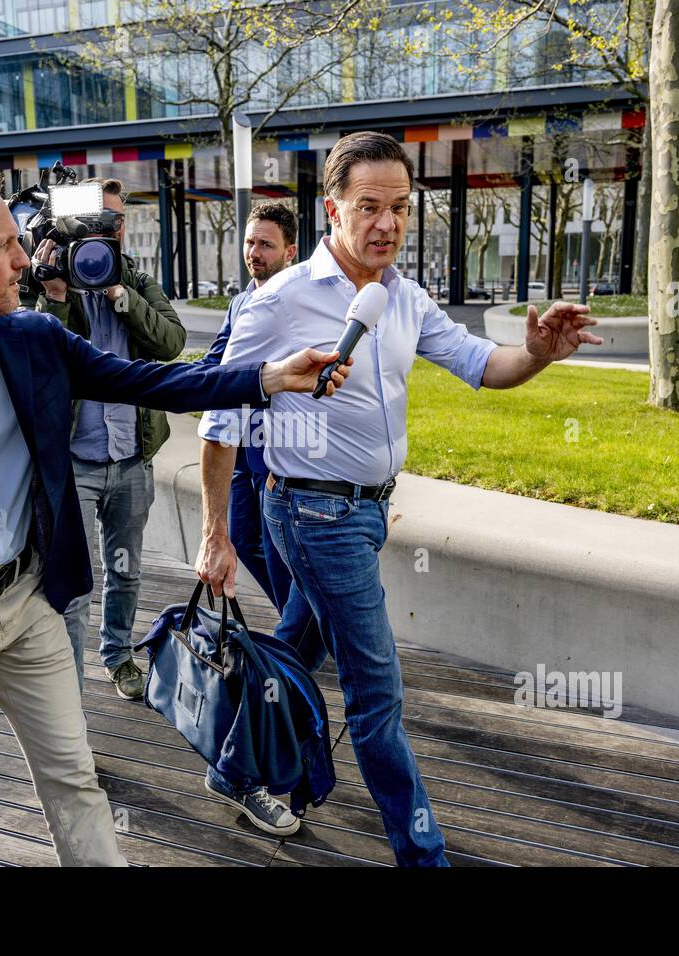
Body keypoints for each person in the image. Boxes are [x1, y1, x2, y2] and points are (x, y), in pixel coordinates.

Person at [0, 169, 350, 866]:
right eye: (5, 246)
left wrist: (270, 377)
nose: (24, 260)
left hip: (31, 602)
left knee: (74, 781)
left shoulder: (36, 338)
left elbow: (156, 379)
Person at [198, 131, 602, 866]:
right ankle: (424, 856)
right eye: (370, 207)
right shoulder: (281, 299)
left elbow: (485, 364)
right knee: (378, 696)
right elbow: (221, 419)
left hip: (368, 510)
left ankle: (231, 767)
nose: (387, 223)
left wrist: (539, 353)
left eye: (401, 207)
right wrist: (215, 533)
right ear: (332, 210)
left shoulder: (405, 296)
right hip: (312, 514)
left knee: (294, 645)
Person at [192, 201, 320, 835]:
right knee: (303, 614)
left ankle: (255, 744)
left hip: (294, 479)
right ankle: (280, 691)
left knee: (306, 619)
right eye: (249, 243)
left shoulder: (303, 304)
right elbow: (215, 371)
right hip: (248, 473)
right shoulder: (244, 306)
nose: (254, 253)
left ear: (290, 250)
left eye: (266, 245)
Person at [29, 179, 181, 699]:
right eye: (91, 222)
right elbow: (42, 366)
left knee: (128, 571)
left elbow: (171, 341)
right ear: (67, 225)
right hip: (75, 460)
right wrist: (56, 298)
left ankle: (118, 656)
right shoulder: (48, 284)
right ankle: (69, 696)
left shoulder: (134, 277)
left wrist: (120, 294)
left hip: (132, 456)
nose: (103, 231)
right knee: (73, 586)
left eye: (112, 222)